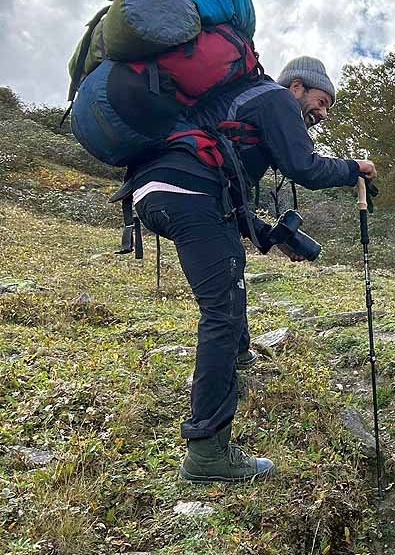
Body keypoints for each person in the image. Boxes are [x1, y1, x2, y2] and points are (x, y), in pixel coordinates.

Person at [111, 56, 377, 484]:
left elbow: (229, 197)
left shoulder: (241, 105)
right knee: (221, 312)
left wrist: (272, 238)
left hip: (159, 192)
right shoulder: (277, 98)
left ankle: (239, 356)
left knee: (228, 280)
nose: (323, 113)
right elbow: (304, 167)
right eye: (321, 100)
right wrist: (354, 169)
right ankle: (207, 452)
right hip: (187, 190)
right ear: (296, 87)